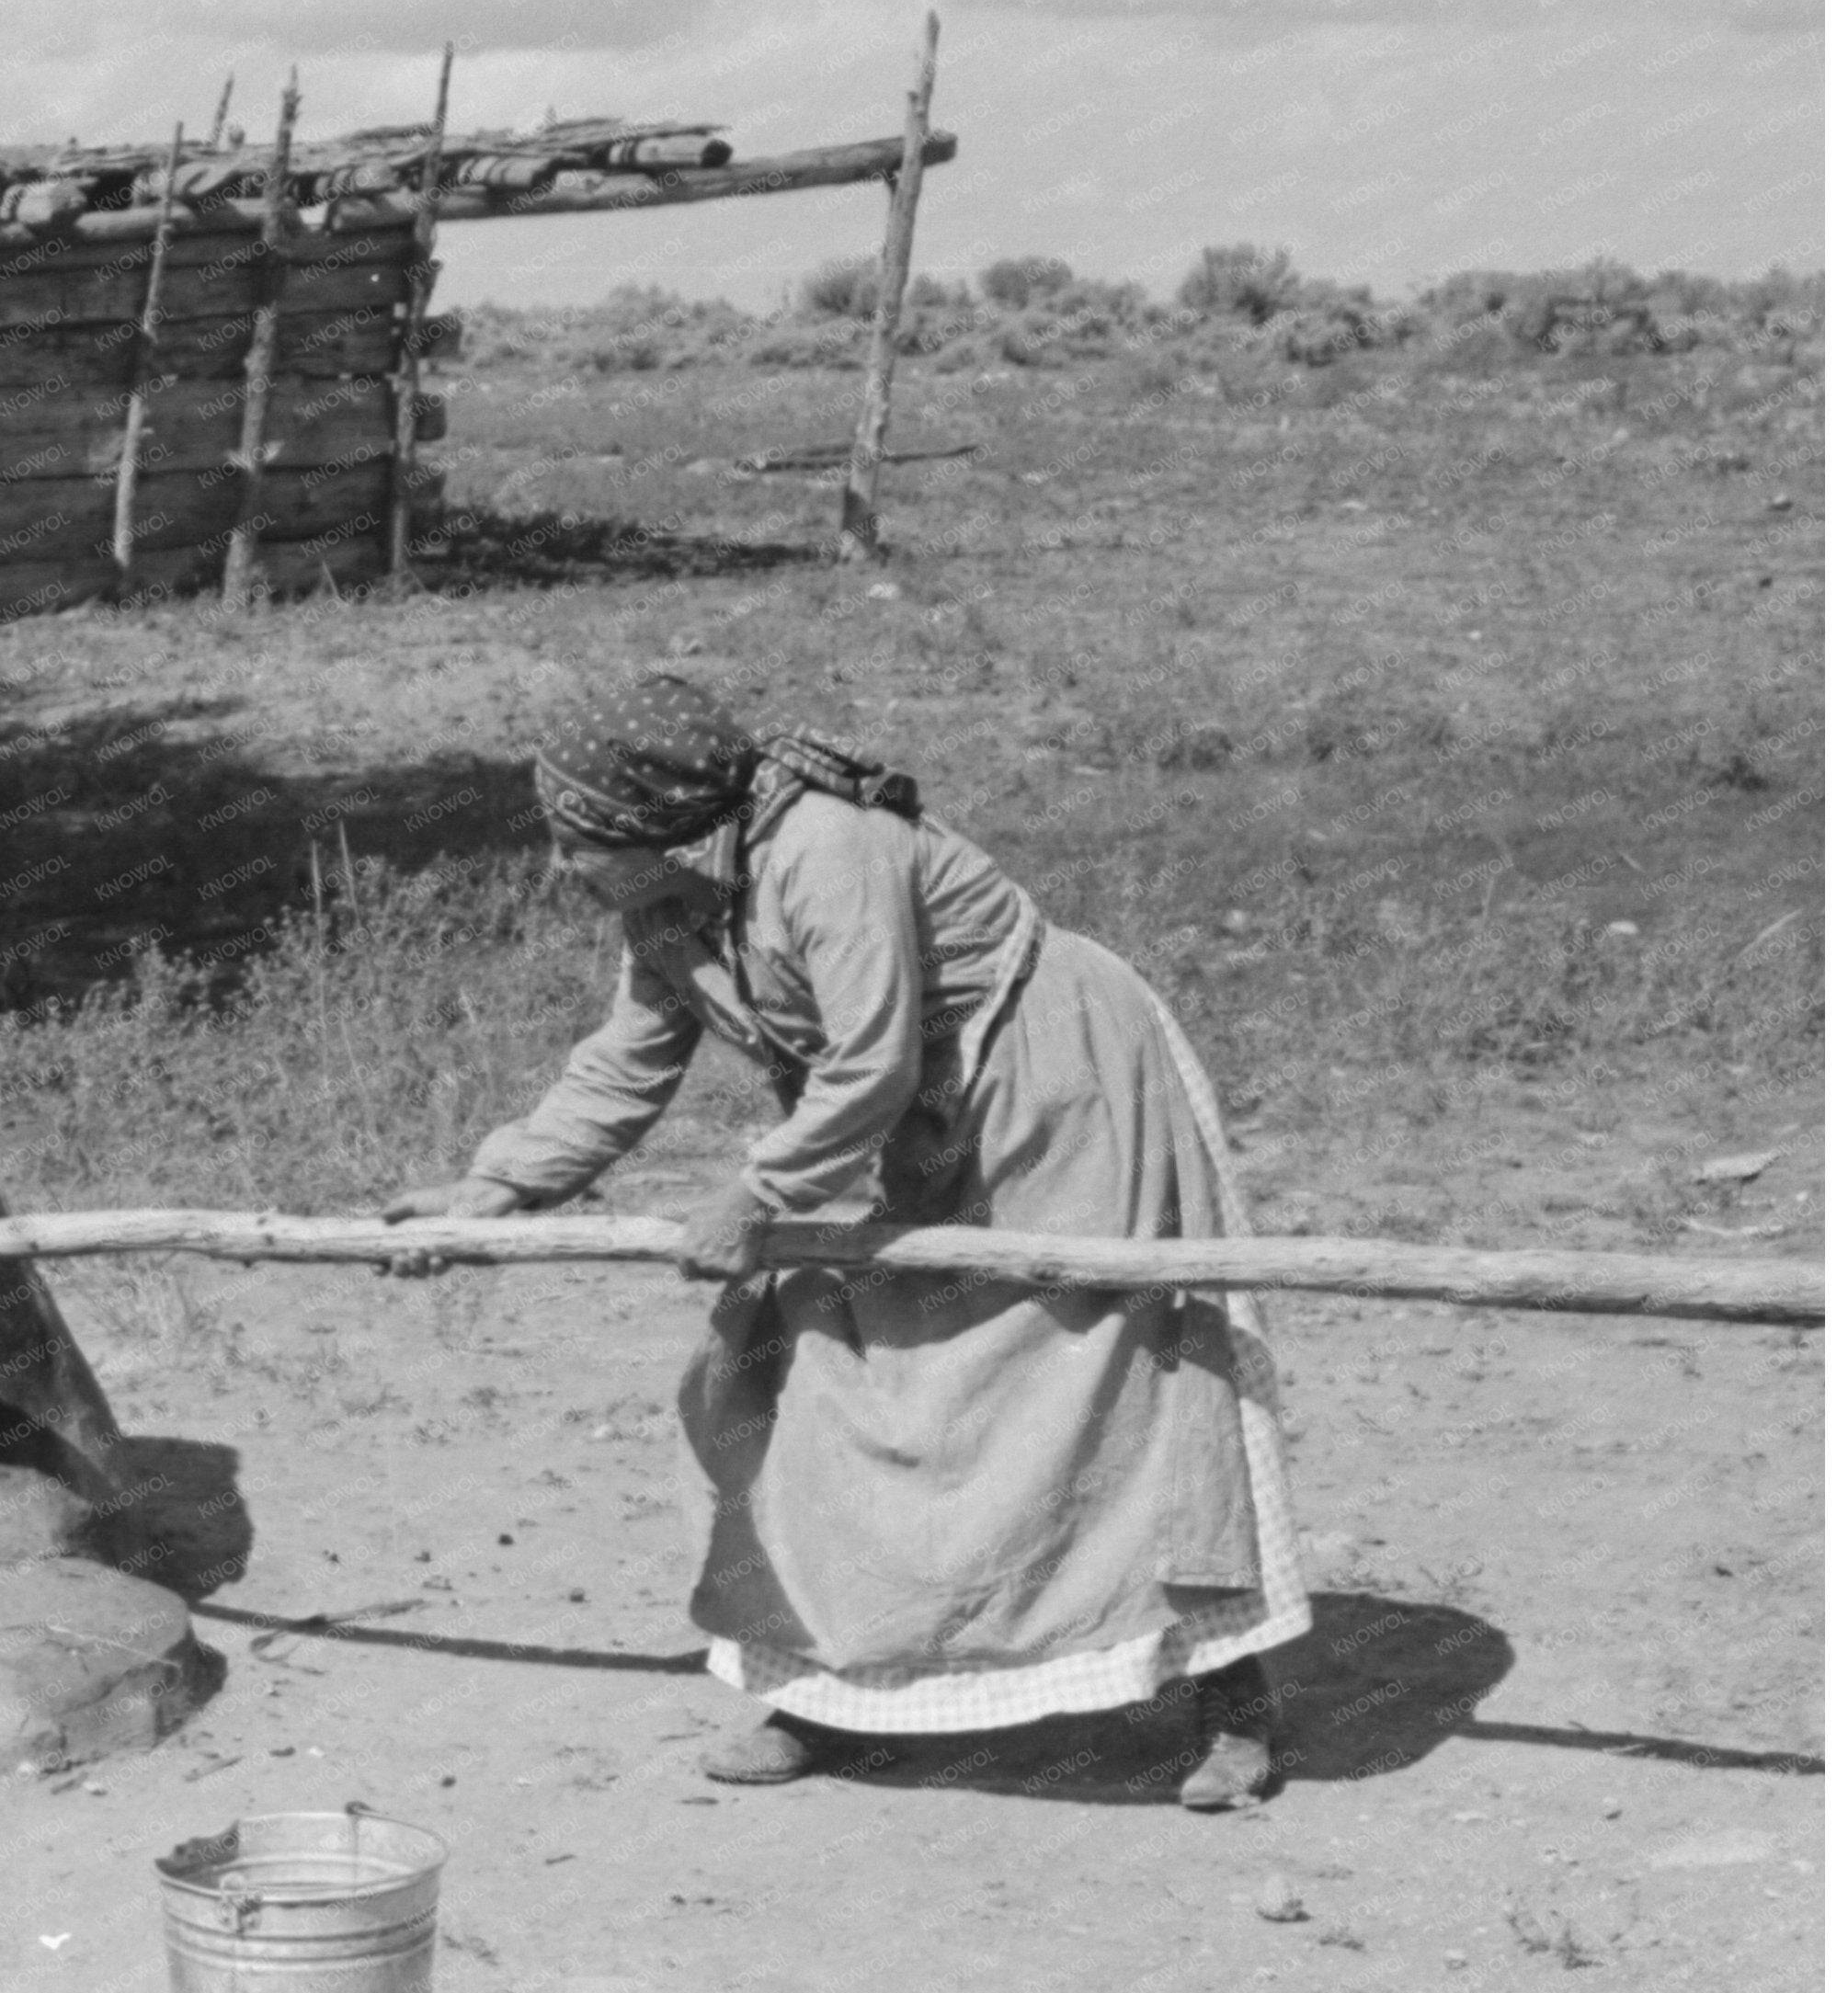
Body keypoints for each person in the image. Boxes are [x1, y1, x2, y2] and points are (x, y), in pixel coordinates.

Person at [382, 674, 1308, 1810]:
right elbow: (625, 1065)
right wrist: (492, 1189)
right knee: (809, 1380)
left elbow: (866, 1061)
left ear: (647, 831)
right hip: (894, 1124)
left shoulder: (826, 850)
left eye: (574, 841)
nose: (557, 867)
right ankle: (832, 1695)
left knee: (1122, 1389)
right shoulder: (662, 902)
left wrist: (757, 1194)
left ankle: (1229, 1696)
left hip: (1051, 1086)